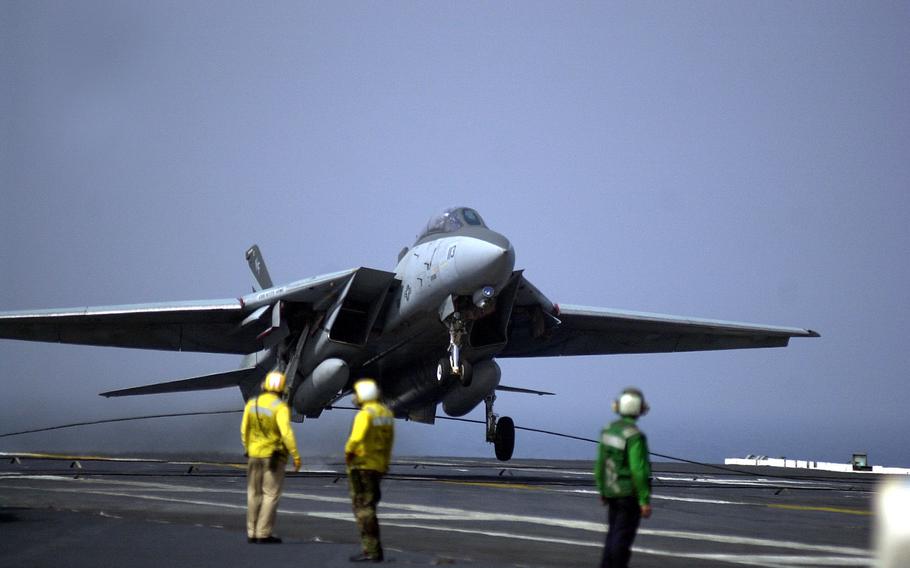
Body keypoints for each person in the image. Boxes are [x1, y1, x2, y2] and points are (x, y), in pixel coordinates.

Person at [240, 370, 301, 544]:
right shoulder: (280, 407)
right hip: (273, 458)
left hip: (253, 455)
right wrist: (296, 456)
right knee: (270, 495)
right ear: (282, 389)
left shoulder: (253, 404)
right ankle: (263, 533)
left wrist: (249, 447)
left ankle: (251, 533)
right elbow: (287, 434)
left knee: (253, 493)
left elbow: (244, 431)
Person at [594, 387, 652, 568]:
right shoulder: (634, 436)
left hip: (612, 492)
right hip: (629, 494)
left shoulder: (608, 431)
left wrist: (602, 489)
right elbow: (638, 469)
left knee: (612, 535)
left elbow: (600, 464)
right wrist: (644, 499)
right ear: (639, 409)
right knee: (622, 539)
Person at [345, 378, 395, 563]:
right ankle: (373, 550)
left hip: (362, 467)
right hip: (378, 467)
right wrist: (385, 464)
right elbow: (389, 443)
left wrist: (348, 455)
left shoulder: (364, 415)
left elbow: (355, 439)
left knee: (363, 510)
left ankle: (371, 551)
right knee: (371, 506)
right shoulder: (386, 414)